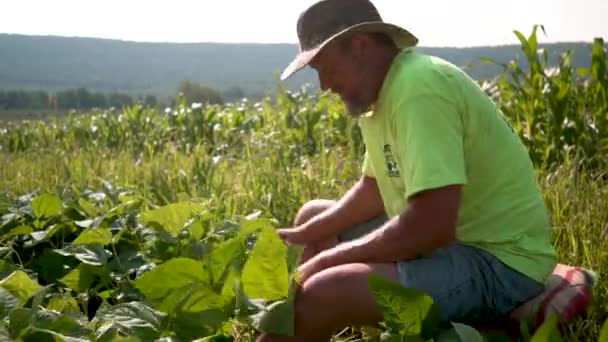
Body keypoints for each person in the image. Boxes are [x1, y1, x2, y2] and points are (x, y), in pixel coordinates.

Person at [256, 0, 592, 341]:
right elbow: (373, 188)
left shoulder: (419, 89)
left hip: (499, 263)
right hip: (453, 244)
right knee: (313, 217)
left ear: (360, 45)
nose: (324, 85)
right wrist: (309, 232)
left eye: (324, 67)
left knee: (325, 289)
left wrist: (329, 261)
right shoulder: (380, 96)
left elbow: (431, 227)